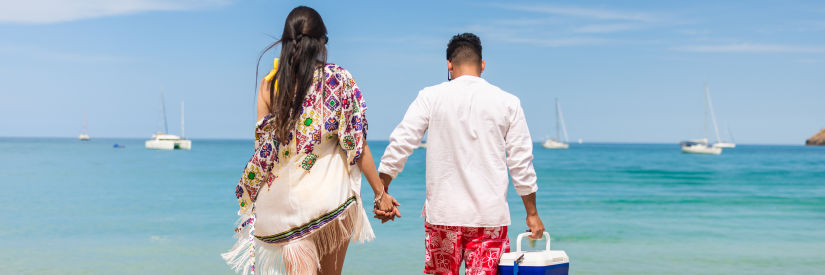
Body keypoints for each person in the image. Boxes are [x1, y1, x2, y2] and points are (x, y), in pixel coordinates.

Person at [222, 6, 400, 275]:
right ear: (320, 42)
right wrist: (380, 193)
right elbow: (355, 143)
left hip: (287, 209)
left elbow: (263, 151)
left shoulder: (270, 86)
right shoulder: (337, 79)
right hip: (331, 202)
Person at [376, 33, 545, 275]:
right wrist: (532, 214)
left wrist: (382, 190)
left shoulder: (430, 96)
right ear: (482, 65)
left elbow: (402, 142)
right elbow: (520, 162)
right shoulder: (508, 102)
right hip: (490, 219)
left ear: (449, 65)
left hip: (443, 215)